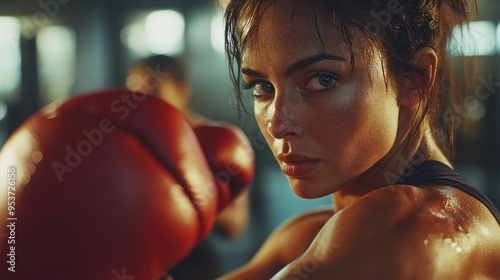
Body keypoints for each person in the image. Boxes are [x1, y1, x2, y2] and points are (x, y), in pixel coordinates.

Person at [215, 0, 500, 279]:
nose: (277, 124)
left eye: (322, 80)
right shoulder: (306, 235)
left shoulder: (419, 230)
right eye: (263, 87)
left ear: (415, 80)